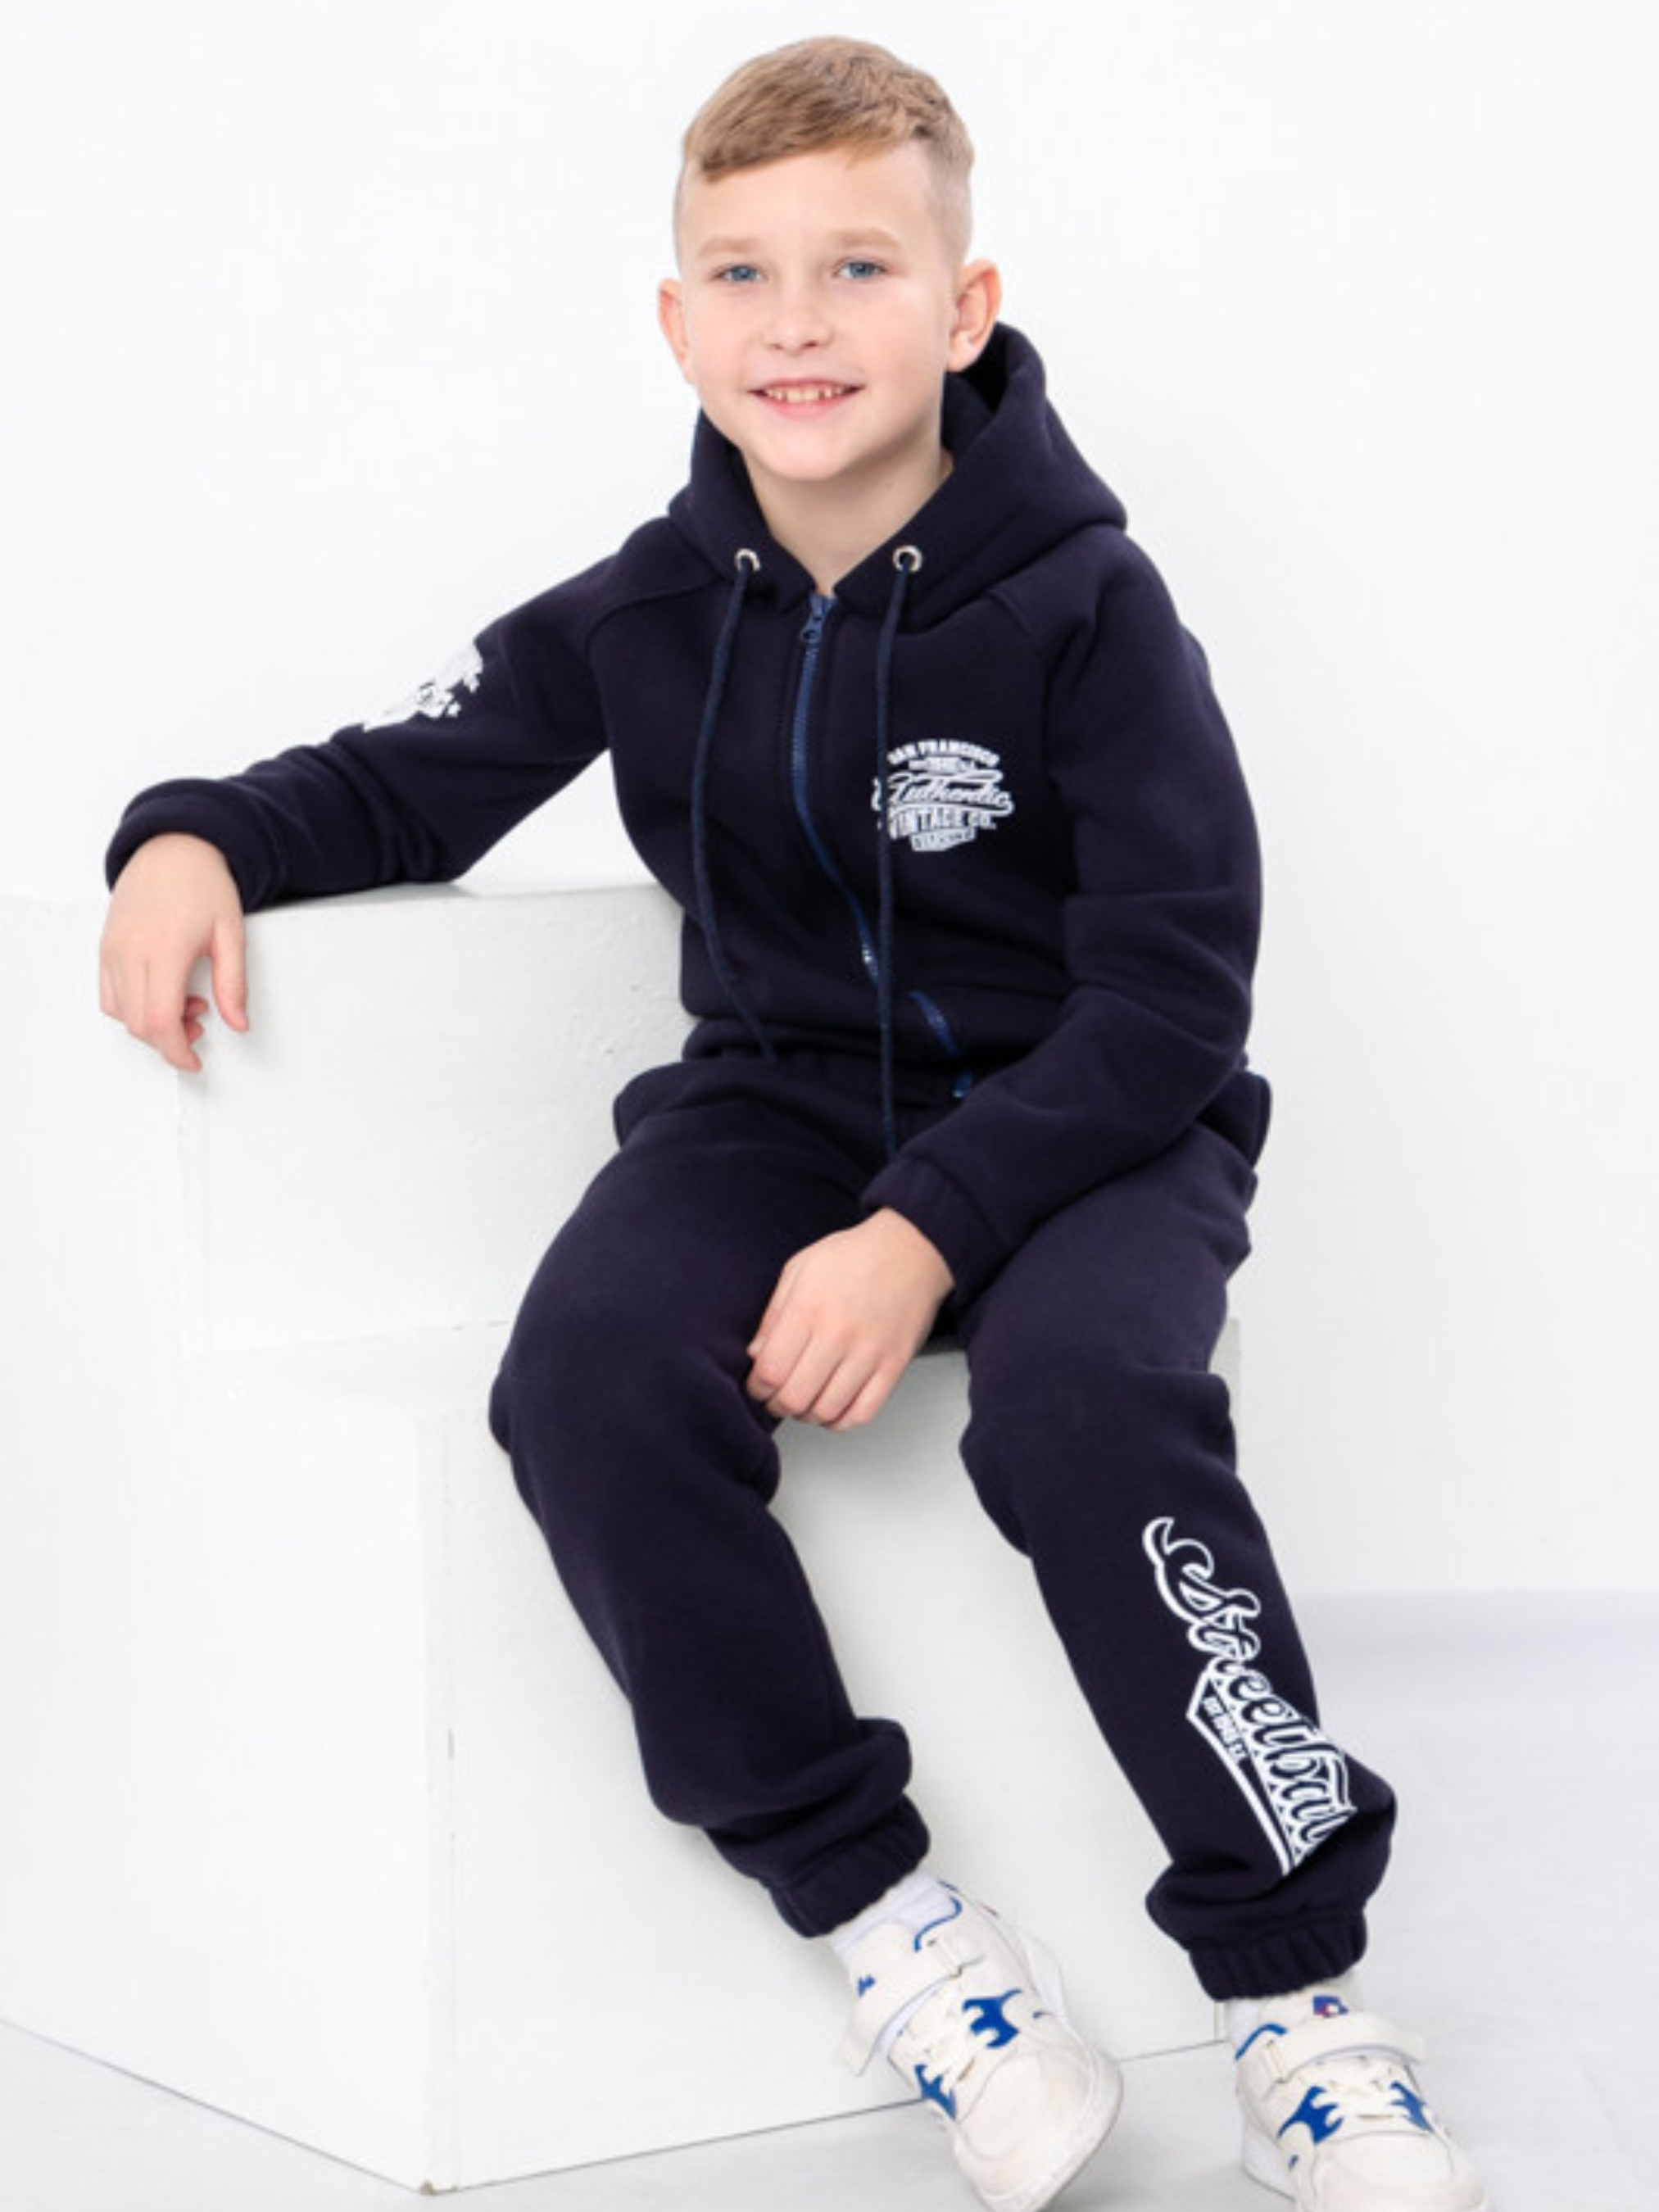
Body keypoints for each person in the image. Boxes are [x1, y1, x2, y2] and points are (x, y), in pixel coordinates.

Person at [98, 36, 1489, 2212]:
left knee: (1089, 1403)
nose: (797, 320)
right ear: (677, 323)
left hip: (1095, 1127)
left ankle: (1300, 1996)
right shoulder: (652, 606)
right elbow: (402, 778)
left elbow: (1168, 997)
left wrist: (925, 1230)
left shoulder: (1092, 611)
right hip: (773, 1109)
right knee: (583, 1377)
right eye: (742, 274)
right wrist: (189, 836)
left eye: (859, 266)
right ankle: (902, 1937)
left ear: (964, 307)